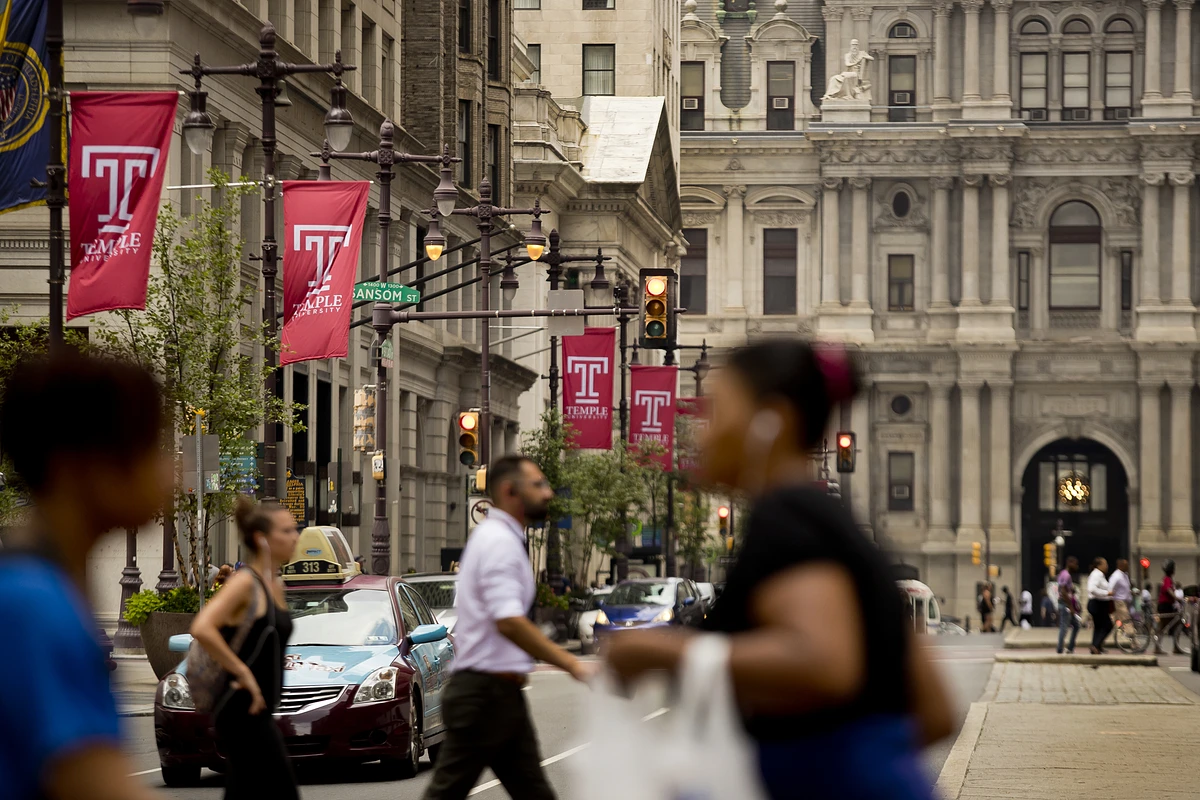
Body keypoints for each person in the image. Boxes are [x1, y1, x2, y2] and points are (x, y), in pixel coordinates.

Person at [603, 340, 953, 800]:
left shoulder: (787, 517)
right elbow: (934, 711)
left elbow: (825, 663)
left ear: (773, 422)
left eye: (716, 412)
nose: (700, 434)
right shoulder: (828, 520)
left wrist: (663, 653)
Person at [0, 353, 168, 800]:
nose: (168, 475)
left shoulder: (36, 590)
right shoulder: (34, 608)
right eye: (150, 447)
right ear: (82, 465)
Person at [424, 455, 591, 800]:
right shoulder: (500, 542)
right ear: (509, 490)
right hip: (485, 694)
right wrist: (573, 664)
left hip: (498, 692)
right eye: (538, 485)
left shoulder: (501, 538)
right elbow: (509, 622)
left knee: (533, 792)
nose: (548, 493)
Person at [189, 497, 299, 800]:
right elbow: (201, 627)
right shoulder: (245, 582)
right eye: (286, 531)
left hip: (260, 709)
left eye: (295, 530)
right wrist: (243, 672)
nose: (295, 537)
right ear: (262, 539)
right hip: (240, 707)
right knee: (283, 791)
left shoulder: (275, 584)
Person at [1086, 557, 1114, 654]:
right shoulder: (1096, 574)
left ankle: (1096, 647)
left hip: (1100, 604)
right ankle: (1096, 645)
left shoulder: (1100, 575)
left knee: (1099, 627)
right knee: (1108, 625)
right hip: (1097, 604)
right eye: (1105, 564)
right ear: (1099, 565)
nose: (1107, 566)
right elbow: (1092, 589)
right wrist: (1107, 593)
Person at [1156, 560, 1183, 655]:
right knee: (1163, 627)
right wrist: (1177, 598)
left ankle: (1176, 647)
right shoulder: (1167, 579)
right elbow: (1168, 590)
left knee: (1176, 625)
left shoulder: (1169, 579)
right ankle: (1157, 647)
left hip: (1167, 605)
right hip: (1165, 606)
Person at [1057, 557, 1081, 654]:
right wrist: (1071, 607)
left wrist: (1071, 590)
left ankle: (1070, 648)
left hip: (1064, 603)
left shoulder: (1062, 573)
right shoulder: (1066, 575)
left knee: (1076, 625)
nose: (1076, 566)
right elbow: (1063, 591)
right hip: (1065, 604)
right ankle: (1060, 648)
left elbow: (1065, 589)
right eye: (1075, 563)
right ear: (1069, 563)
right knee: (1064, 626)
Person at [1109, 558, 1133, 640]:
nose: (1128, 567)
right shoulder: (1116, 576)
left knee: (1110, 622)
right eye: (1126, 565)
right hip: (1119, 602)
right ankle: (1134, 642)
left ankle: (1099, 641)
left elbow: (1125, 589)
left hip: (1125, 602)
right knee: (1127, 621)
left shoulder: (1125, 575)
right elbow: (1110, 589)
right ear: (1121, 566)